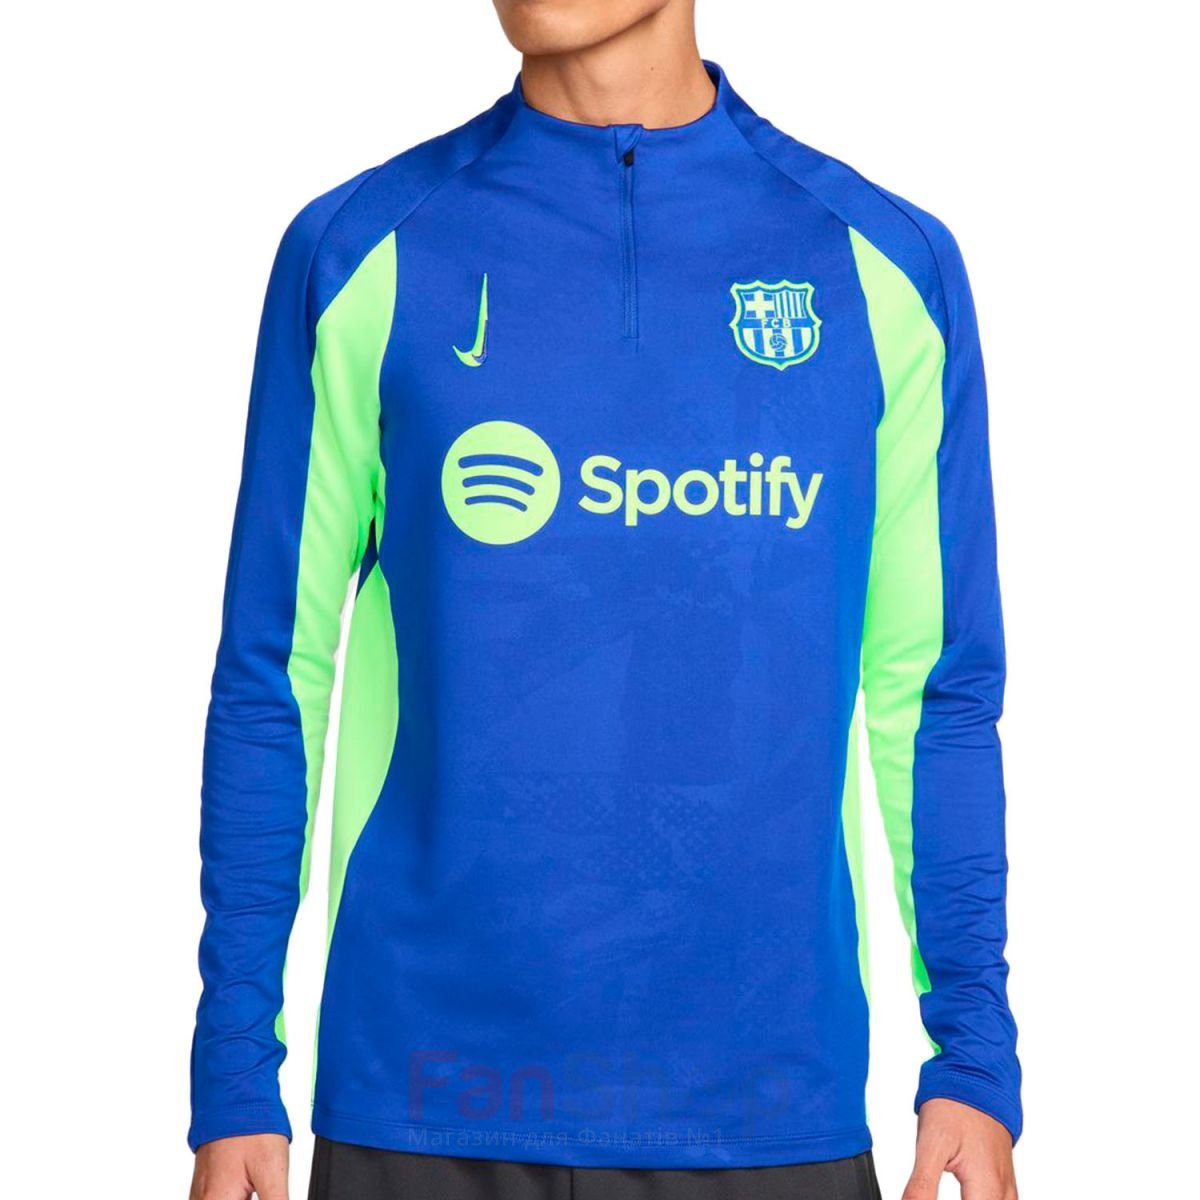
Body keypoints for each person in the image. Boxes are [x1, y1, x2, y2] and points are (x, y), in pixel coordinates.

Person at [188, 2, 1021, 1198]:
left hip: (764, 1112)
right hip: (421, 1101)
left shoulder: (881, 270)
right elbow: (271, 676)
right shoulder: (365, 251)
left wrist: (973, 1058)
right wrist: (233, 1072)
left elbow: (935, 693)